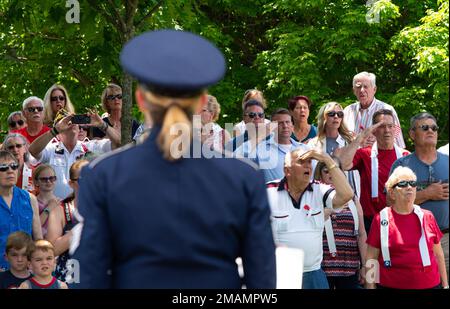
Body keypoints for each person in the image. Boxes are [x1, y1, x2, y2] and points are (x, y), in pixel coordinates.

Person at [71, 29, 276, 288]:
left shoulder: (103, 174)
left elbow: (87, 276)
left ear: (141, 100)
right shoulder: (244, 176)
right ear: (201, 102)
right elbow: (263, 281)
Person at [267, 148, 354, 289]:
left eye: (310, 162)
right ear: (287, 170)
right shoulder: (268, 192)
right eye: (302, 162)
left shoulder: (318, 189)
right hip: (280, 274)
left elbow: (346, 195)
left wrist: (327, 159)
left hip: (313, 274)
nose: (308, 165)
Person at [365, 166, 448, 289]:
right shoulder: (381, 219)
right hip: (390, 285)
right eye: (403, 183)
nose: (409, 187)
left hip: (429, 284)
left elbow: (438, 255)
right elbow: (371, 258)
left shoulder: (427, 216)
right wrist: (370, 287)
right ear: (392, 193)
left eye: (412, 183)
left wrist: (445, 285)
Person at [390, 112, 449, 277]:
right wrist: (427, 193)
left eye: (434, 127)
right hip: (413, 240)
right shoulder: (402, 165)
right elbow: (390, 202)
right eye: (424, 127)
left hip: (446, 240)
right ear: (412, 134)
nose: (431, 130)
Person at [336, 109, 409, 234]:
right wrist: (361, 137)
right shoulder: (365, 154)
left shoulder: (405, 156)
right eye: (382, 126)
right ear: (374, 130)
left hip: (399, 219)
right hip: (371, 221)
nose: (387, 130)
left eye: (390, 126)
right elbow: (342, 163)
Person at [28, 111, 117, 200]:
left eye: (74, 120)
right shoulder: (51, 149)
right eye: (65, 121)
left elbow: (119, 144)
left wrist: (102, 124)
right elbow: (33, 151)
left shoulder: (90, 146)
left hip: (84, 208)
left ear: (79, 128)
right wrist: (55, 130)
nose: (71, 123)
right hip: (56, 209)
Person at [314, 160, 367, 289]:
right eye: (326, 172)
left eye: (335, 171)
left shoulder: (353, 198)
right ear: (319, 175)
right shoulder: (313, 195)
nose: (331, 175)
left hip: (350, 268)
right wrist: (331, 209)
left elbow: (361, 234)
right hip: (321, 268)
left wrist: (365, 266)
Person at [46, 159, 89, 282]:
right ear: (71, 184)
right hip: (69, 278)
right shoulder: (60, 211)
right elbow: (52, 250)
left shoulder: (104, 208)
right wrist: (80, 228)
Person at [0, 150, 42, 270]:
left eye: (14, 166)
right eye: (3, 167)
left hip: (26, 271)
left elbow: (38, 239)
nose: (10, 171)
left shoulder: (30, 199)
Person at [308, 102, 360, 196]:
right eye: (331, 114)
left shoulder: (350, 142)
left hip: (348, 194)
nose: (336, 116)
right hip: (322, 195)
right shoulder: (313, 144)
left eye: (340, 114)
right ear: (323, 117)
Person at [343, 71, 405, 148]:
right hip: (351, 159)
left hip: (377, 158)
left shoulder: (387, 110)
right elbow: (340, 140)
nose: (362, 90)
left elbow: (399, 144)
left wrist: (379, 141)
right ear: (354, 91)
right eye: (358, 87)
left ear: (374, 89)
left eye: (365, 86)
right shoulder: (347, 111)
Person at [254, 108, 308, 183]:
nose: (285, 126)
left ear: (292, 126)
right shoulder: (261, 149)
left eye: (287, 122)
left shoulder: (304, 149)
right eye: (280, 123)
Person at [32, 164, 59, 238]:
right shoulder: (32, 202)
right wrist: (48, 209)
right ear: (36, 182)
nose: (48, 181)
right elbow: (33, 228)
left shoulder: (60, 203)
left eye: (52, 178)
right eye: (44, 179)